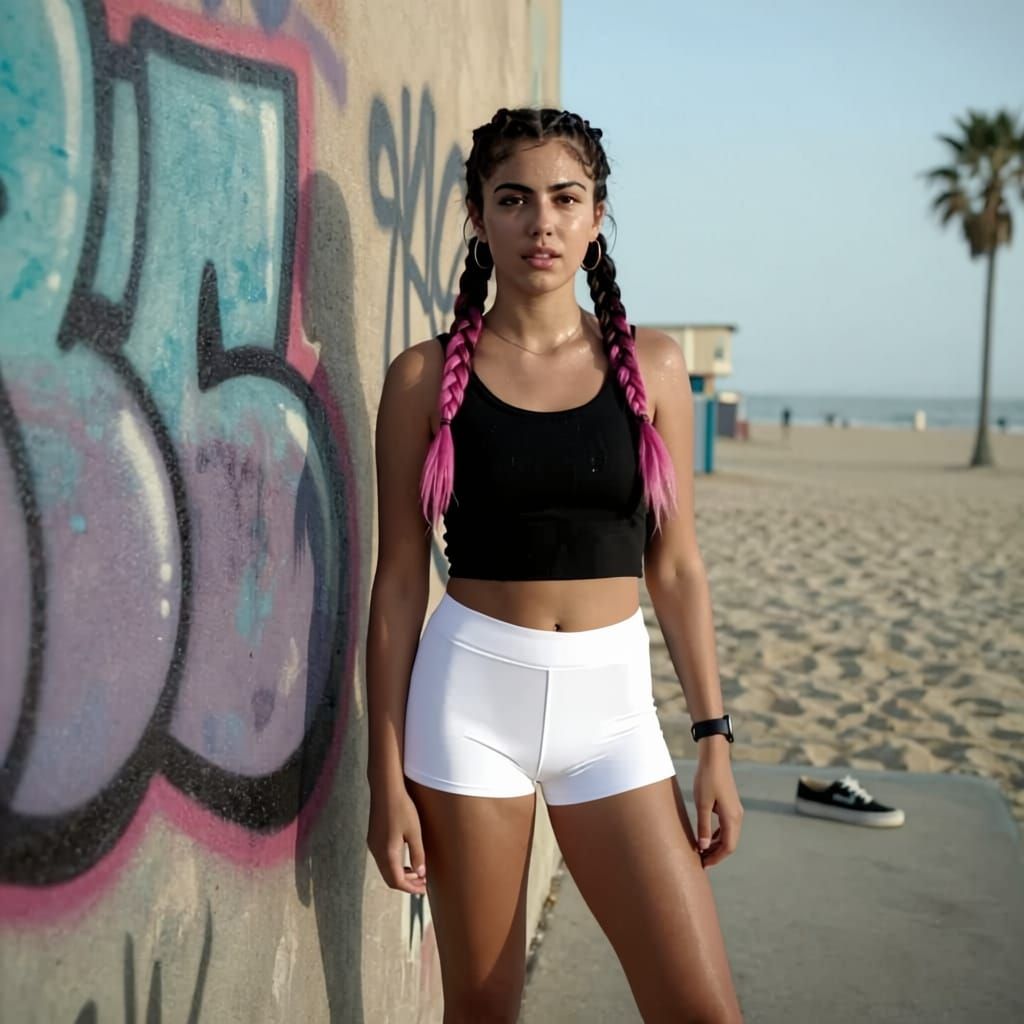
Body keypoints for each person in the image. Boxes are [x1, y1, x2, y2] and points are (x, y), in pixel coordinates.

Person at [365, 107, 744, 1024]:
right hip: (468, 709)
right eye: (514, 199)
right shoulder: (422, 379)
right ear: (477, 215)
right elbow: (399, 584)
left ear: (597, 214)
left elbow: (678, 571)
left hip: (613, 715)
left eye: (565, 199)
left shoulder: (654, 368)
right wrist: (385, 778)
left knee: (701, 1010)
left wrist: (713, 741)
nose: (542, 223)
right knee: (483, 1010)